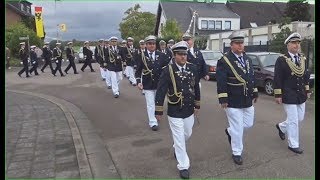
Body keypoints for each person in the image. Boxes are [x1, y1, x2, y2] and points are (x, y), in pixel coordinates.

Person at [155, 41, 200, 179]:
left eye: (185, 54)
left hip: (188, 108)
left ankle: (176, 146)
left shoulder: (192, 68)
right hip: (174, 109)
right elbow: (161, 90)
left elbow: (196, 87)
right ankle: (183, 165)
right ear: (174, 55)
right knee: (180, 138)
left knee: (187, 133)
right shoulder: (167, 70)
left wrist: (197, 104)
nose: (183, 57)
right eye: (180, 54)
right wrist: (158, 110)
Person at [215, 31, 258, 165]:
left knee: (248, 124)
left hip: (246, 98)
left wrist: (255, 91)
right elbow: (221, 81)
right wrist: (223, 98)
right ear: (231, 45)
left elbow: (251, 77)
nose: (240, 46)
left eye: (241, 43)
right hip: (232, 100)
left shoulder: (247, 59)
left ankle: (230, 131)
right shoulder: (224, 61)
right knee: (238, 128)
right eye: (237, 43)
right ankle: (237, 152)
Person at [274, 32, 311, 154]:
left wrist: (307, 90)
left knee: (299, 118)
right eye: (294, 43)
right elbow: (278, 78)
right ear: (288, 45)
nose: (297, 45)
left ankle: (281, 127)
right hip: (288, 94)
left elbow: (305, 76)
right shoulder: (282, 60)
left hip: (300, 94)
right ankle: (293, 144)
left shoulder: (302, 58)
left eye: (298, 43)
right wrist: (278, 95)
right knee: (294, 120)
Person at [135, 35, 170, 131]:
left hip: (159, 84)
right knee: (150, 103)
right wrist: (138, 81)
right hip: (147, 84)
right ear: (146, 45)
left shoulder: (161, 55)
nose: (152, 45)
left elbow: (167, 68)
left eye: (153, 43)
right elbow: (138, 71)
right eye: (150, 44)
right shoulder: (141, 56)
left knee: (158, 102)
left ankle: (156, 114)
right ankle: (153, 122)